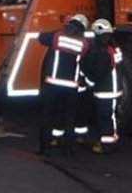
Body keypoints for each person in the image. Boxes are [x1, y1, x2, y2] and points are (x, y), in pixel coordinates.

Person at [35, 13, 88, 156]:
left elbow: (40, 37)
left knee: (48, 116)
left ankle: (44, 147)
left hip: (52, 85)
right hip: (71, 87)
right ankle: (68, 149)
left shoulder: (56, 36)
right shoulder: (83, 43)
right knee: (69, 118)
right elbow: (84, 63)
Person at [79, 18, 123, 154]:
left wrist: (87, 83)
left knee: (105, 117)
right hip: (114, 88)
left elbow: (98, 72)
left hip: (106, 90)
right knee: (110, 116)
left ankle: (107, 144)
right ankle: (108, 140)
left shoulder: (102, 51)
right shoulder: (114, 47)